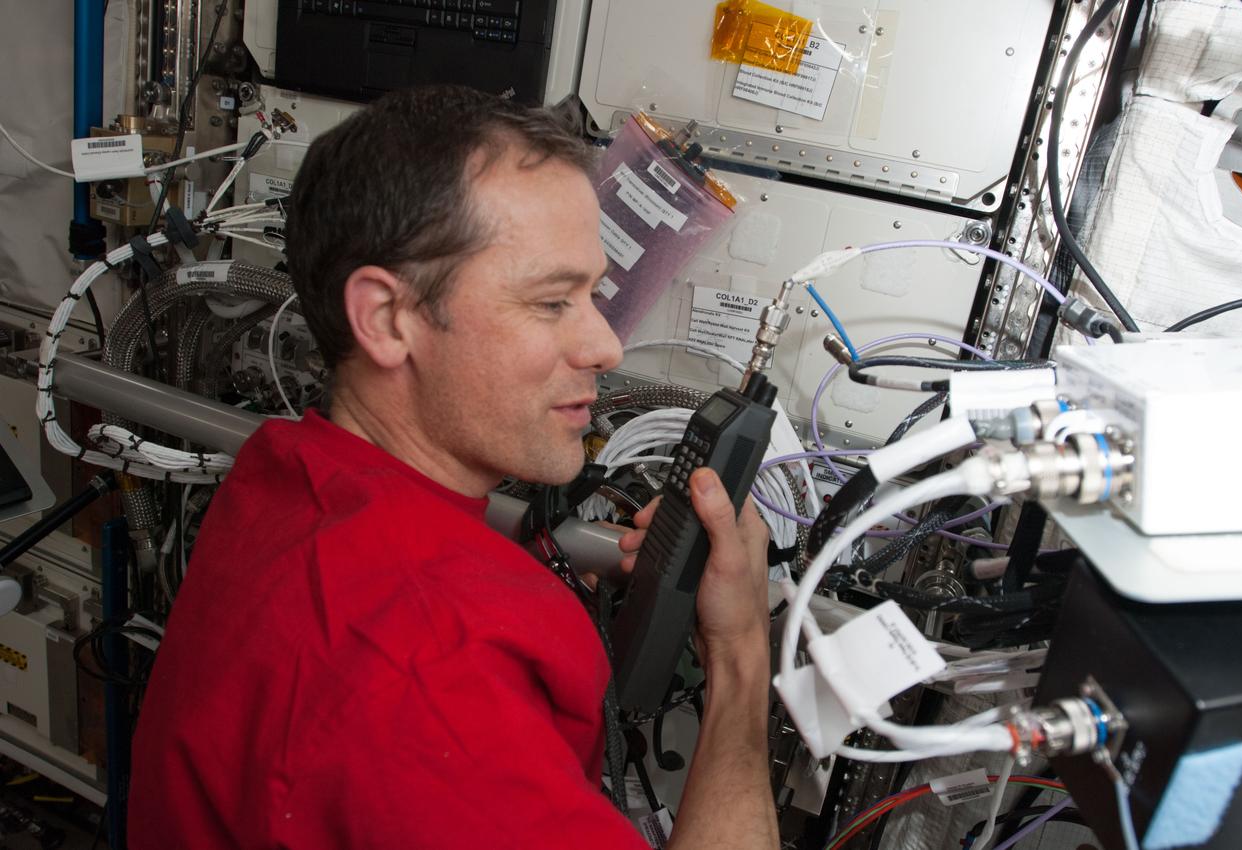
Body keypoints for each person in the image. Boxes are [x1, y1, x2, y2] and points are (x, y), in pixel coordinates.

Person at [129, 85, 779, 849]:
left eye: (593, 294)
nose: (606, 346)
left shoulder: (285, 474)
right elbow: (412, 671)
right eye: (552, 302)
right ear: (387, 319)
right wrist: (739, 654)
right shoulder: (432, 675)